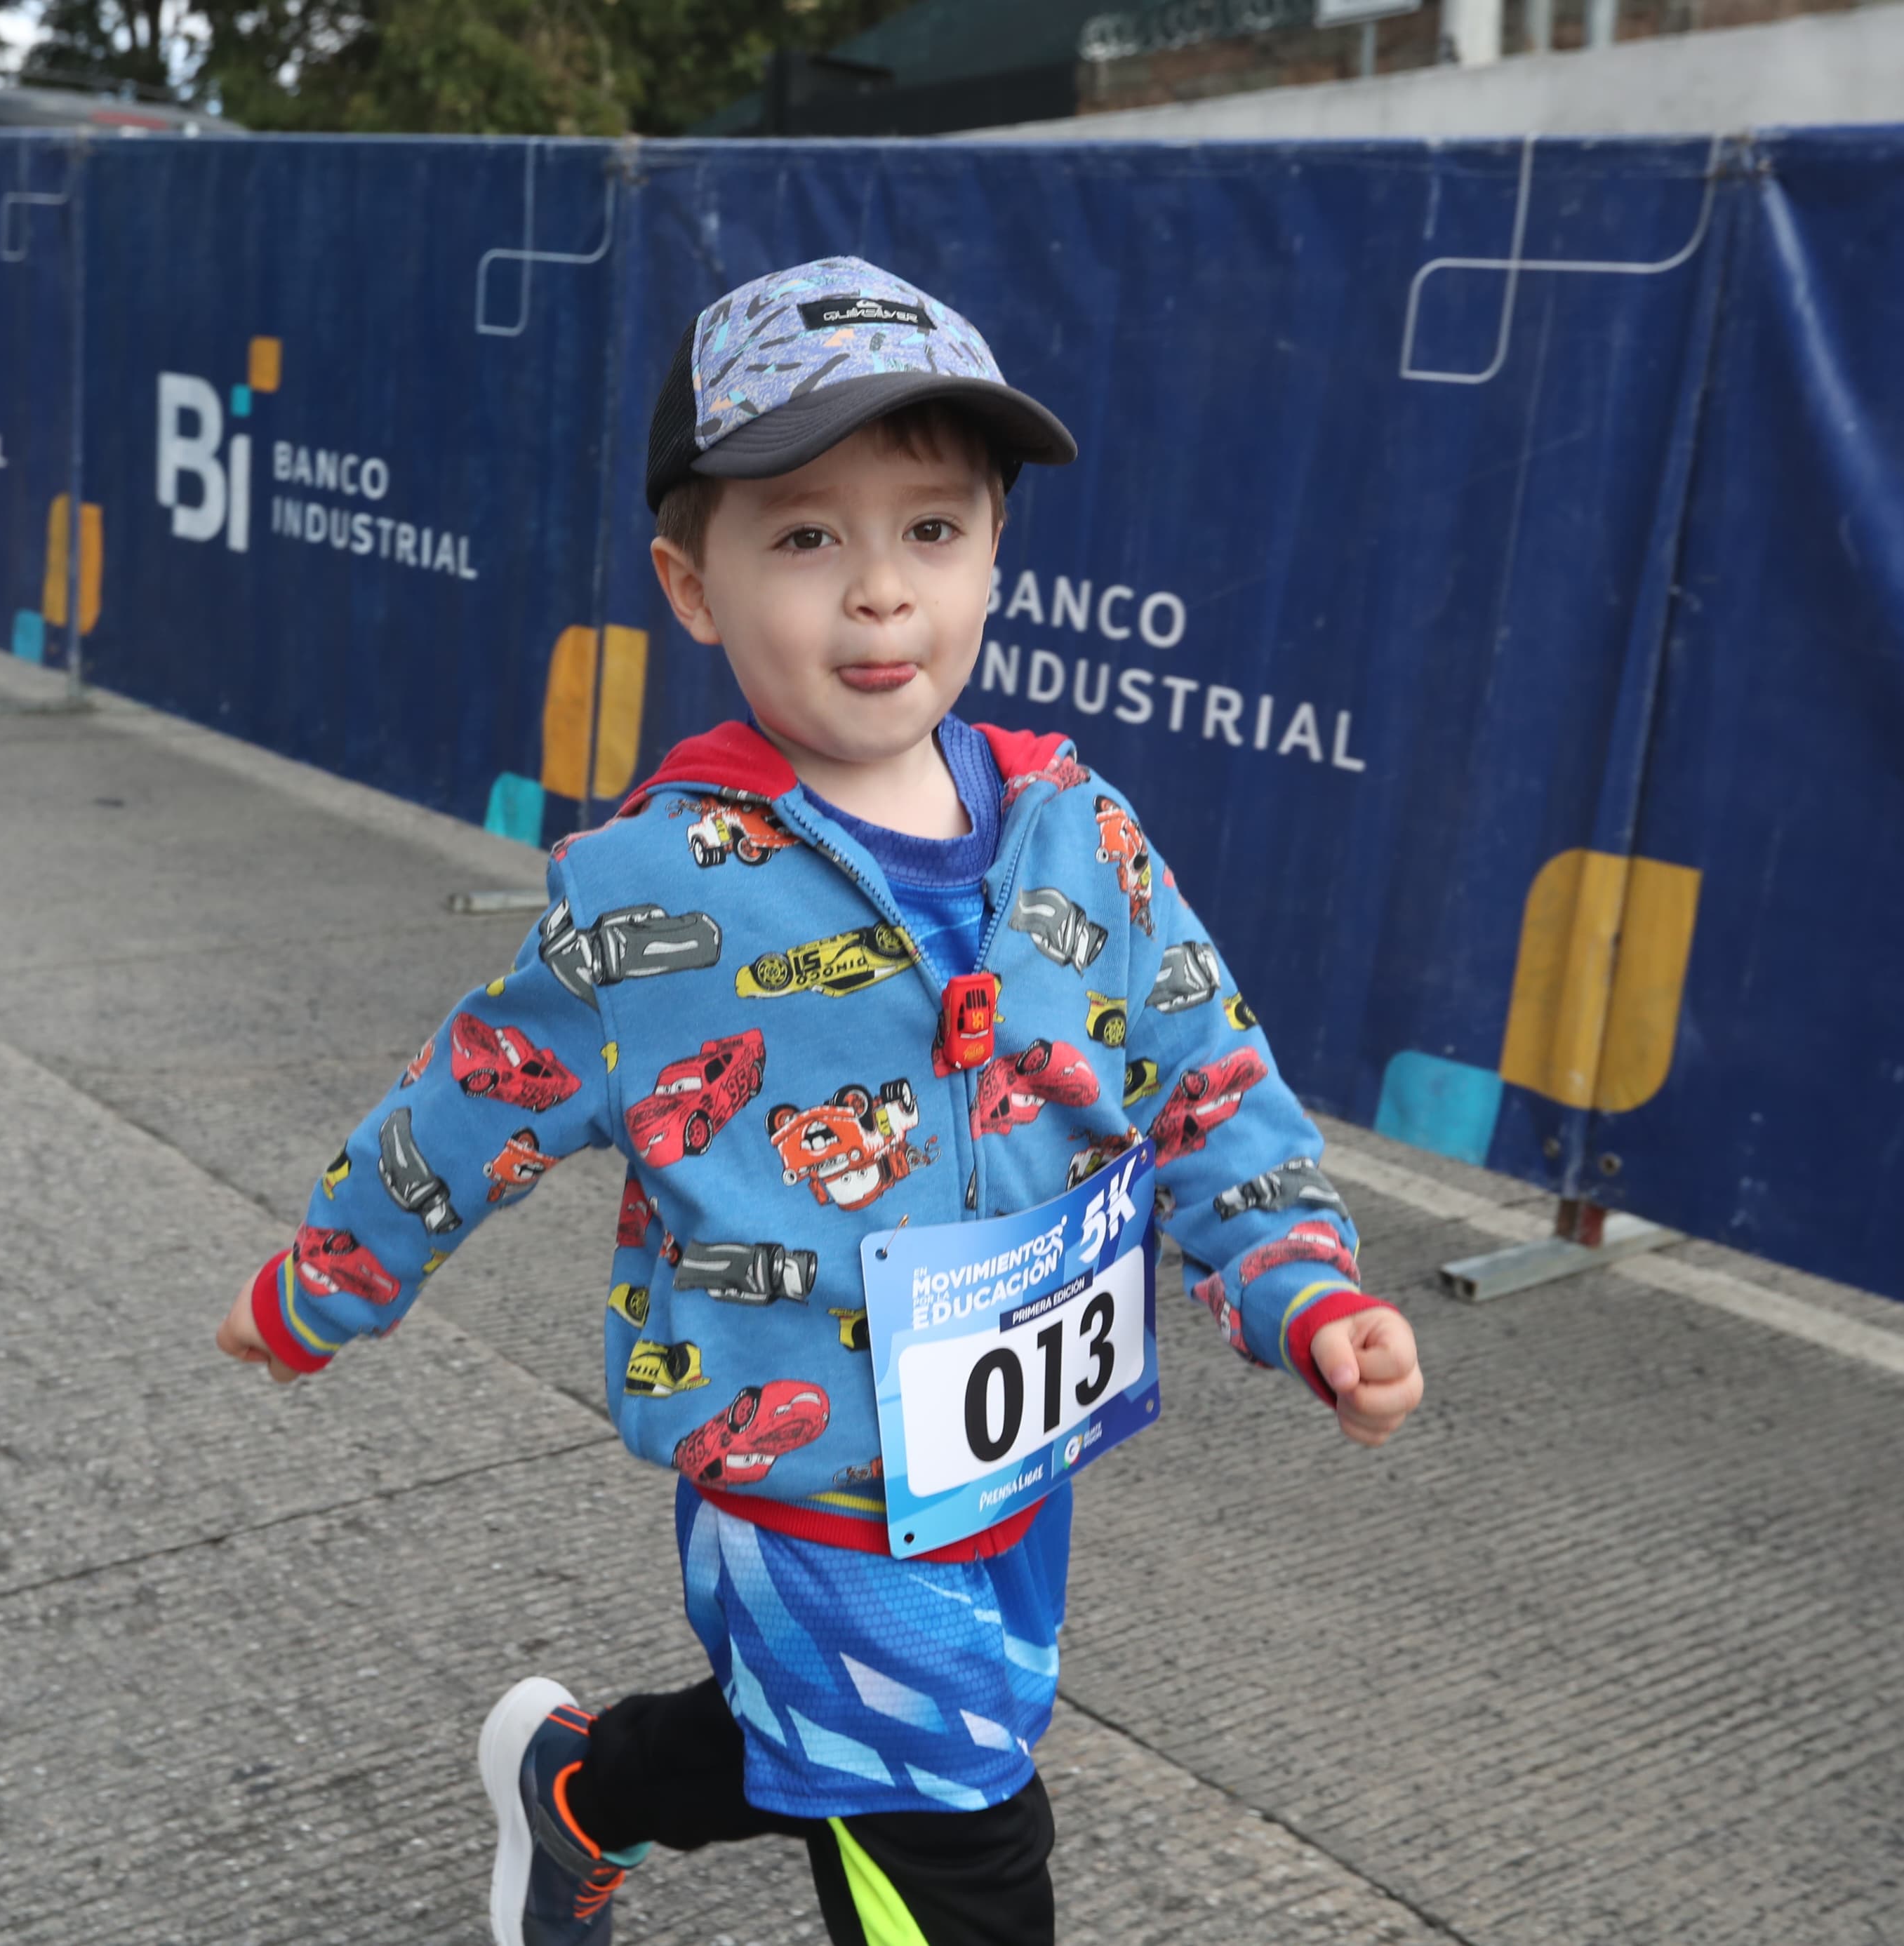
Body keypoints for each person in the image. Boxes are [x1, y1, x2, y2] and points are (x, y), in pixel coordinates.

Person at [216, 257, 1425, 1946]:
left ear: (996, 548)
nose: (878, 595)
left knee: (876, 1749)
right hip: (800, 1490)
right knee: (956, 1836)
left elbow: (1206, 1086)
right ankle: (635, 1796)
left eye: (930, 530)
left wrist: (1306, 1291)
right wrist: (322, 1282)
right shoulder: (652, 894)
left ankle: (584, 1788)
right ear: (688, 583)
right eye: (804, 536)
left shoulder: (1081, 833)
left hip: (1015, 1468)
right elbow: (475, 1098)